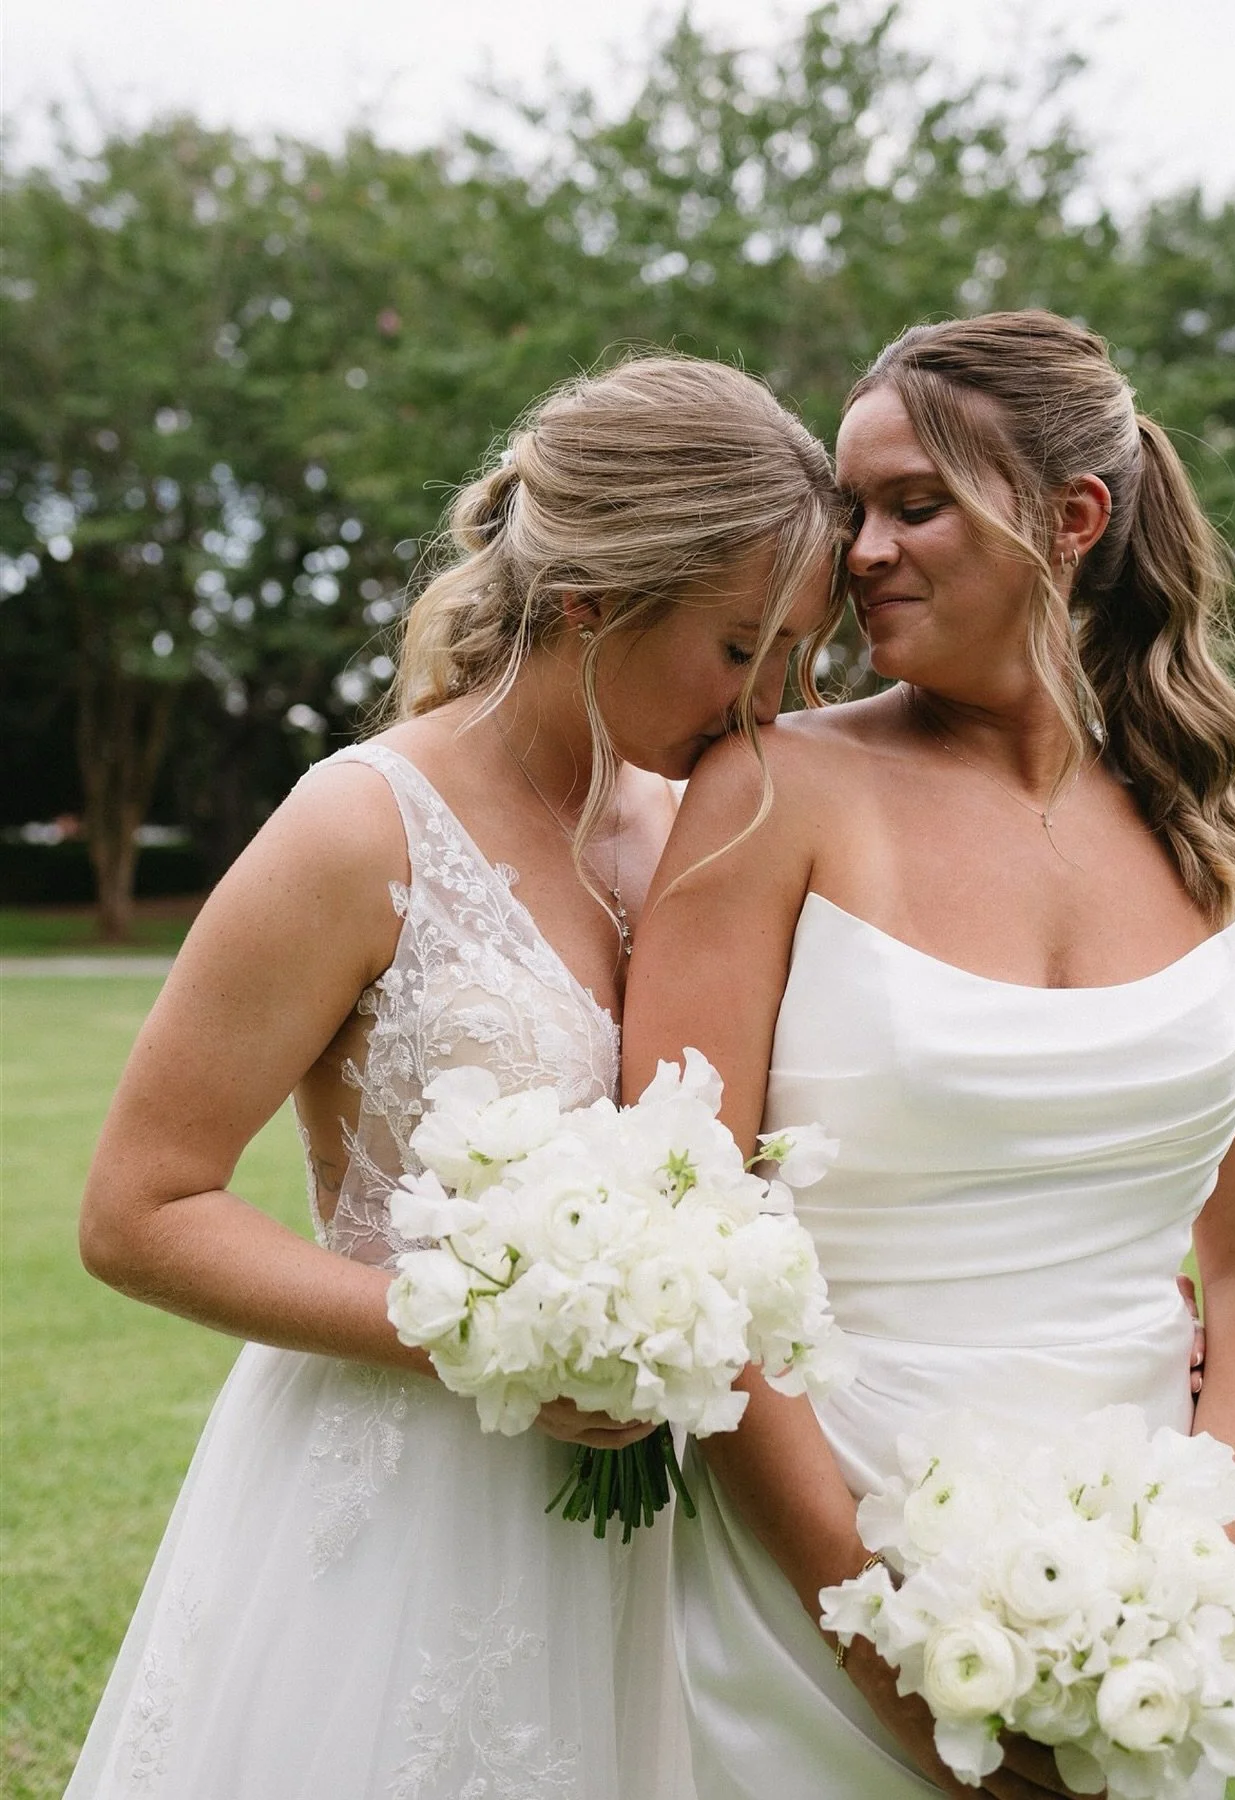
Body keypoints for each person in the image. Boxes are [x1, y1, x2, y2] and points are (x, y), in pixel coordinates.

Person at [65, 355, 844, 1800]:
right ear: (592, 598)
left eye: (803, 656)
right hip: (398, 1516)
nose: (777, 704)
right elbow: (140, 1209)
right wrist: (495, 1341)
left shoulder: (708, 835)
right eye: (745, 649)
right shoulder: (359, 829)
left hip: (657, 1543)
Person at [622, 311, 1235, 1799]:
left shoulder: (1217, 844)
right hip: (814, 1552)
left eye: (913, 505)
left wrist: (1182, 1597)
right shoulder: (774, 790)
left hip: (1123, 1570)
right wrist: (882, 1641)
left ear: (1072, 521)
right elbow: (688, 1225)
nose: (859, 550)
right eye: (851, 510)